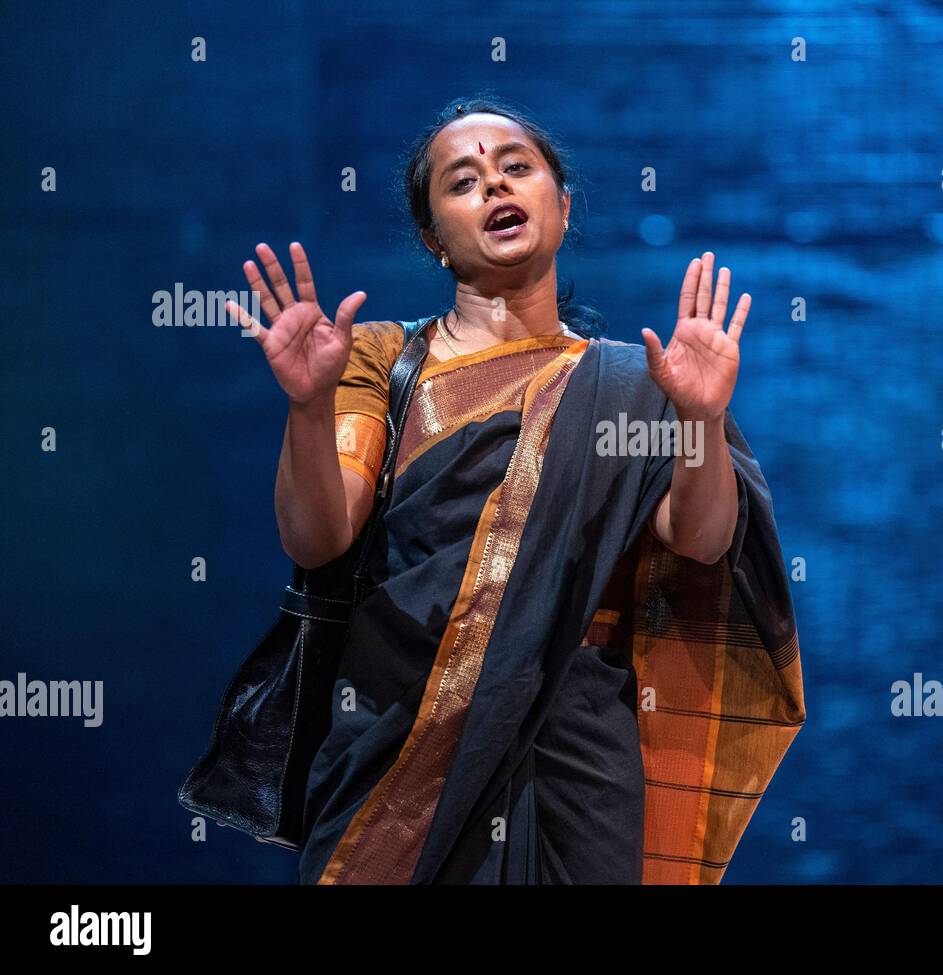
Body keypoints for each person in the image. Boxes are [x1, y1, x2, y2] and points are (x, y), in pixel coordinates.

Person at [225, 96, 805, 884]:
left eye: (516, 168)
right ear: (433, 239)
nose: (494, 186)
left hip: (574, 763)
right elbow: (318, 536)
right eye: (462, 182)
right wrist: (307, 404)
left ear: (562, 209)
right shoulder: (381, 359)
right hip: (398, 737)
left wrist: (701, 418)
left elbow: (700, 540)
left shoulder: (635, 382)